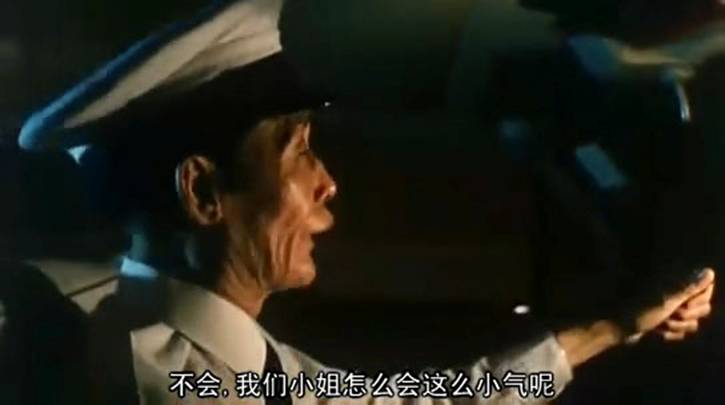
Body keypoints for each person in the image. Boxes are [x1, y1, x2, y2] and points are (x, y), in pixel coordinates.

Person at [18, 0, 715, 404]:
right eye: (298, 150)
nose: (328, 184)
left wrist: (614, 327)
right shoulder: (169, 386)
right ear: (203, 192)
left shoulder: (236, 364)